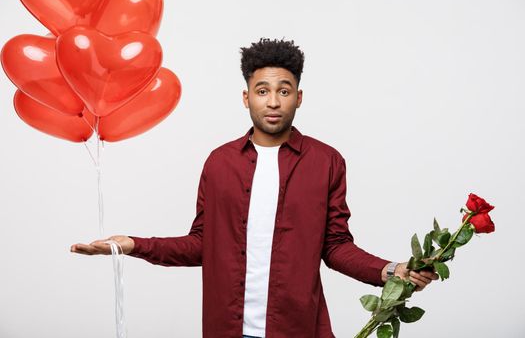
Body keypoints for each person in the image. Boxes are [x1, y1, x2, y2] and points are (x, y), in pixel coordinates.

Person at [71, 38, 438, 338]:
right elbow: (201, 243)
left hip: (297, 328)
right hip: (228, 329)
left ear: (299, 97)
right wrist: (133, 245)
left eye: (284, 90)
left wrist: (390, 270)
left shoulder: (326, 162)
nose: (274, 101)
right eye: (262, 91)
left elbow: (335, 245)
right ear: (246, 97)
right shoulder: (220, 163)